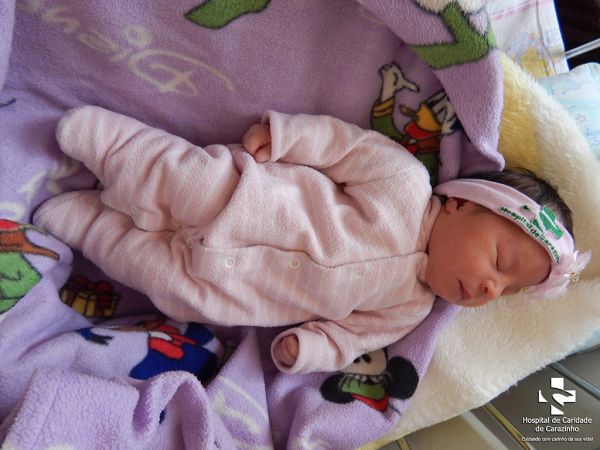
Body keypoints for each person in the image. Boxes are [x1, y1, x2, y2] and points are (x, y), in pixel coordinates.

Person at [33, 106, 590, 374]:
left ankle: (86, 223)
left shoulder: (410, 307)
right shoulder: (404, 183)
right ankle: (108, 145)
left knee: (152, 273)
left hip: (228, 291)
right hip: (239, 199)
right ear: (463, 202)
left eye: (506, 290)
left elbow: (350, 338)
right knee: (178, 176)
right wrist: (285, 136)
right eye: (500, 260)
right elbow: (343, 146)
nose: (491, 288)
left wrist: (311, 350)